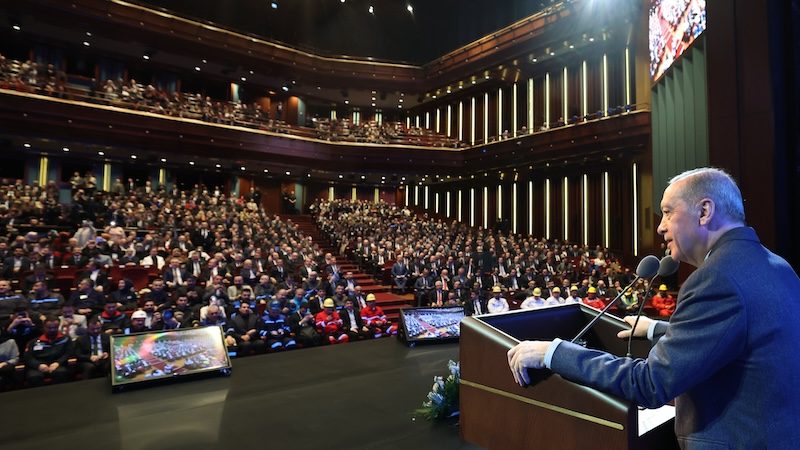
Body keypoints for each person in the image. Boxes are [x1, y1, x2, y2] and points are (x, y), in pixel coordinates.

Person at [507, 168, 800, 449]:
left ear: (704, 212)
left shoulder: (716, 279)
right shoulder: (776, 266)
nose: (660, 226)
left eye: (668, 212)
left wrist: (553, 353)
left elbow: (650, 384)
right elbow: (742, 338)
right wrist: (658, 329)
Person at [24, 315, 73, 386]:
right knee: (34, 376)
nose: (52, 330)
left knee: (61, 373)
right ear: (44, 327)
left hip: (57, 365)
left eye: (55, 327)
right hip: (38, 366)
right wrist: (38, 365)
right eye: (49, 328)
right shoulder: (34, 341)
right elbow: (28, 357)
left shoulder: (65, 339)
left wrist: (58, 363)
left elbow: (68, 353)